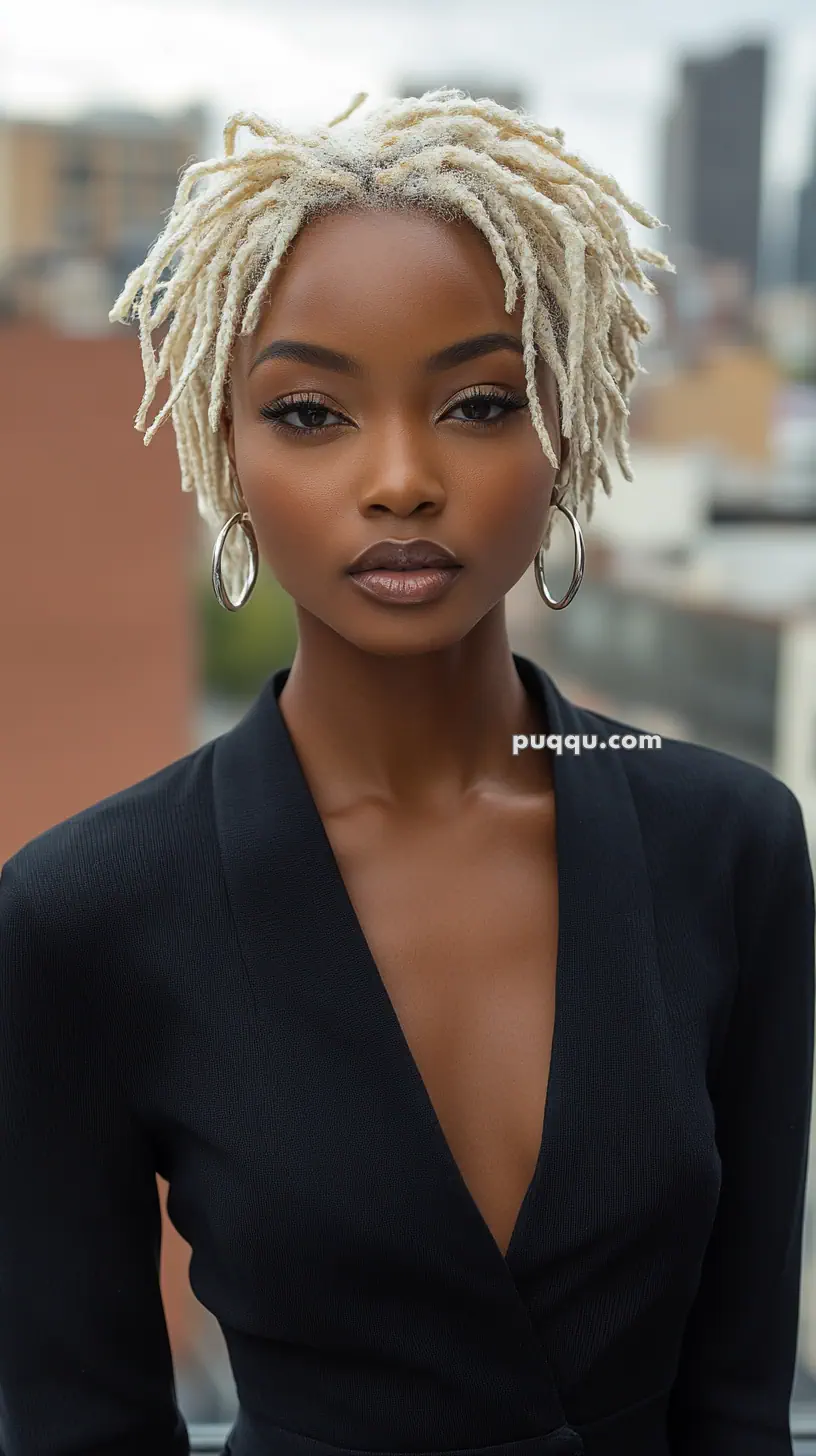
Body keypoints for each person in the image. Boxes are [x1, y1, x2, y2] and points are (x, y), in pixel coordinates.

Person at [0, 86, 813, 1456]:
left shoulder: (727, 845)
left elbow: (738, 1403)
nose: (399, 479)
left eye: (479, 402)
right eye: (311, 412)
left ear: (566, 433)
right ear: (226, 452)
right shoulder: (83, 911)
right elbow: (78, 1427)